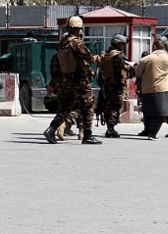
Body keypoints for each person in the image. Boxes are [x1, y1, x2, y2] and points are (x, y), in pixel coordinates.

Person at [45, 16, 103, 145]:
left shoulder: (62, 43)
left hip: (66, 81)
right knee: (88, 106)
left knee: (65, 107)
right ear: (78, 29)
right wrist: (97, 58)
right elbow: (88, 57)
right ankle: (87, 135)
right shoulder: (76, 43)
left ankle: (51, 129)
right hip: (79, 81)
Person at [134, 36, 168, 139]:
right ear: (165, 46)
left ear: (153, 46)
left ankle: (154, 132)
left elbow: (138, 72)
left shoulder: (146, 59)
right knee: (160, 111)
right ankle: (150, 131)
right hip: (162, 89)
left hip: (146, 88)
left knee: (151, 111)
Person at [97, 34, 133, 138]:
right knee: (115, 106)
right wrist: (129, 68)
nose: (124, 47)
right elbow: (120, 70)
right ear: (118, 44)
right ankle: (111, 128)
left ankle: (109, 126)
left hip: (107, 84)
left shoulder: (105, 54)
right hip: (116, 85)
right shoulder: (119, 55)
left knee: (108, 105)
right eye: (122, 44)